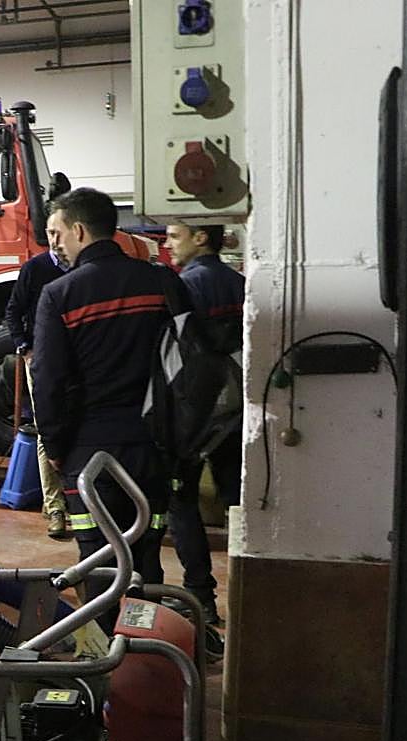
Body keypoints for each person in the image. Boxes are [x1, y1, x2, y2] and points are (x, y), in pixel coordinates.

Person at [31, 188, 189, 612]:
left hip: (89, 451)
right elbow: (191, 367)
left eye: (58, 234)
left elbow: (47, 383)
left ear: (79, 231)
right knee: (146, 555)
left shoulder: (59, 295)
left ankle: (101, 663)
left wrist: (57, 450)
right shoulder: (163, 282)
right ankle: (142, 650)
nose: (56, 245)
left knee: (97, 562)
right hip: (154, 446)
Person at [161, 224, 245, 626]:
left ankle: (201, 596)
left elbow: (176, 356)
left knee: (182, 502)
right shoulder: (240, 281)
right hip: (235, 409)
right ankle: (247, 591)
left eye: (174, 236)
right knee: (238, 500)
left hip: (196, 413)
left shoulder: (184, 287)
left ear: (200, 238)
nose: (166, 243)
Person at [5, 219, 73, 538]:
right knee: (48, 428)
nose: (55, 239)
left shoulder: (82, 269)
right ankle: (55, 507)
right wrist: (25, 348)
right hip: (42, 363)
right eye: (49, 233)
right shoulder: (34, 269)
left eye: (60, 232)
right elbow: (13, 311)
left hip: (79, 363)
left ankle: (79, 500)